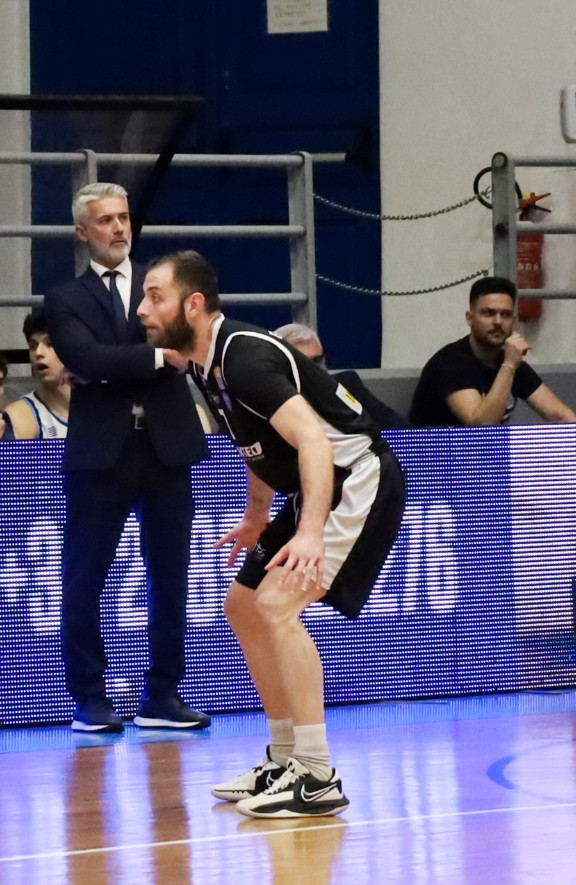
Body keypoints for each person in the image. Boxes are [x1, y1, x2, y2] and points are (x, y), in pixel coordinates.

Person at [136, 249, 406, 818]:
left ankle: (316, 773)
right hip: (313, 487)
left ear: (193, 304)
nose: (142, 309)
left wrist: (309, 532)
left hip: (355, 479)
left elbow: (313, 441)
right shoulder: (204, 364)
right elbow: (256, 445)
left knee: (278, 605)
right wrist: (258, 514)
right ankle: (284, 758)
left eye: (155, 296)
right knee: (242, 604)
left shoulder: (245, 358)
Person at [44, 183, 210, 734]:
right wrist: (157, 357)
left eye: (123, 217)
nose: (118, 227)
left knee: (171, 577)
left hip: (166, 447)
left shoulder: (161, 284)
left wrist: (110, 366)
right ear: (82, 232)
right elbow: (85, 356)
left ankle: (162, 694)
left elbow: (177, 345)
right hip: (101, 454)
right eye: (105, 220)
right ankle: (90, 699)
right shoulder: (64, 298)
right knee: (84, 578)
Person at [409, 276, 576, 427]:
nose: (498, 322)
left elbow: (562, 416)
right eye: (488, 313)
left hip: (490, 452)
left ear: (513, 321)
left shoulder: (511, 362)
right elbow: (481, 428)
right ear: (470, 318)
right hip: (440, 451)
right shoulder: (449, 363)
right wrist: (509, 366)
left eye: (505, 315)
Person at [273, 323, 408, 429]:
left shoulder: (346, 386)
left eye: (318, 360)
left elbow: (398, 428)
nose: (316, 369)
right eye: (306, 363)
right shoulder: (272, 399)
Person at [5, 309, 70, 440]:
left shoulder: (103, 406)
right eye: (33, 346)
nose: (38, 353)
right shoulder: (19, 416)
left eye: (50, 344)